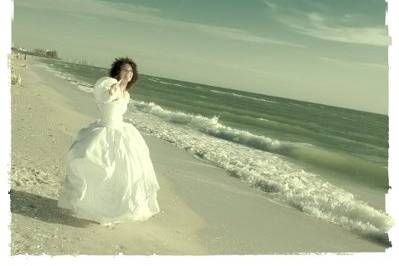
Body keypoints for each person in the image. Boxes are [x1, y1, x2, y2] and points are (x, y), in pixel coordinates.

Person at [57, 57, 160, 225]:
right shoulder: (108, 83)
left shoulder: (126, 94)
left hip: (121, 131)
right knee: (100, 169)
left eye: (131, 71)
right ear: (118, 71)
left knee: (124, 173)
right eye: (125, 70)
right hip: (105, 130)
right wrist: (110, 92)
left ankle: (113, 211)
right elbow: (103, 98)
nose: (128, 73)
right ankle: (91, 206)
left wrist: (118, 92)